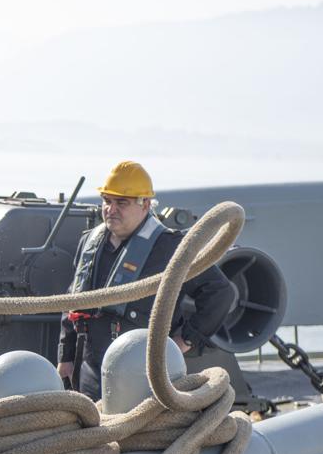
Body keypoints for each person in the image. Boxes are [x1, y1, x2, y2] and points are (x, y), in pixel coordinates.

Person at [57, 160, 234, 401]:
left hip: (144, 375)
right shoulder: (89, 243)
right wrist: (65, 357)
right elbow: (73, 301)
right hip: (90, 371)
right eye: (107, 201)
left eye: (122, 203)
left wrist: (184, 340)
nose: (111, 209)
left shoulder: (171, 247)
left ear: (146, 205)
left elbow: (219, 292)